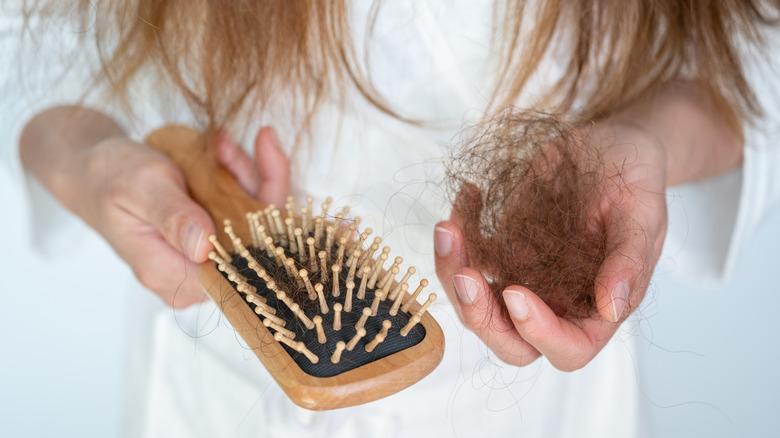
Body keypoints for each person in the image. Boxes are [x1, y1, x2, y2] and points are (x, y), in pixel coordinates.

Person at [4, 1, 780, 436]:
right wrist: (86, 160)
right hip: (226, 396)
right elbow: (31, 44)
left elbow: (750, 57)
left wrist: (649, 139)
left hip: (531, 411)